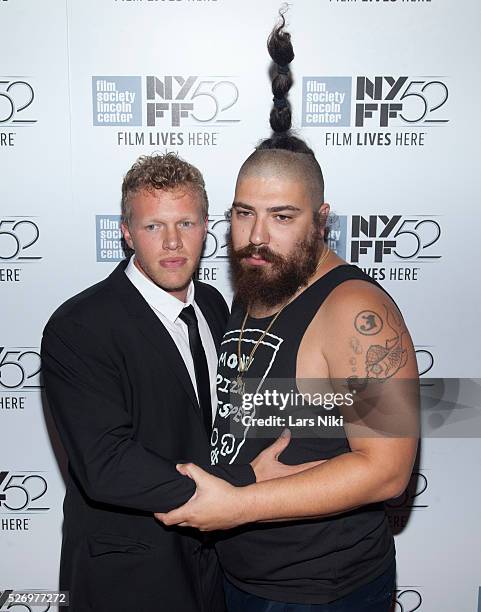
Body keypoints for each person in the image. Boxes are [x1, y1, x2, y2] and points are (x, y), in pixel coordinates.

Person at [157, 15, 420, 612]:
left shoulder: (358, 311)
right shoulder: (264, 281)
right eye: (244, 213)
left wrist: (236, 505)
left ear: (320, 218)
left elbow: (386, 470)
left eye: (282, 216)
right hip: (240, 575)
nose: (256, 237)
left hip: (322, 593)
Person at [41, 153, 310, 612]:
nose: (171, 242)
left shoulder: (212, 304)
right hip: (129, 573)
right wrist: (244, 481)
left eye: (185, 224)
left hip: (215, 564)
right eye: (152, 227)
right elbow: (106, 465)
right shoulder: (80, 326)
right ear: (126, 233)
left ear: (209, 227)